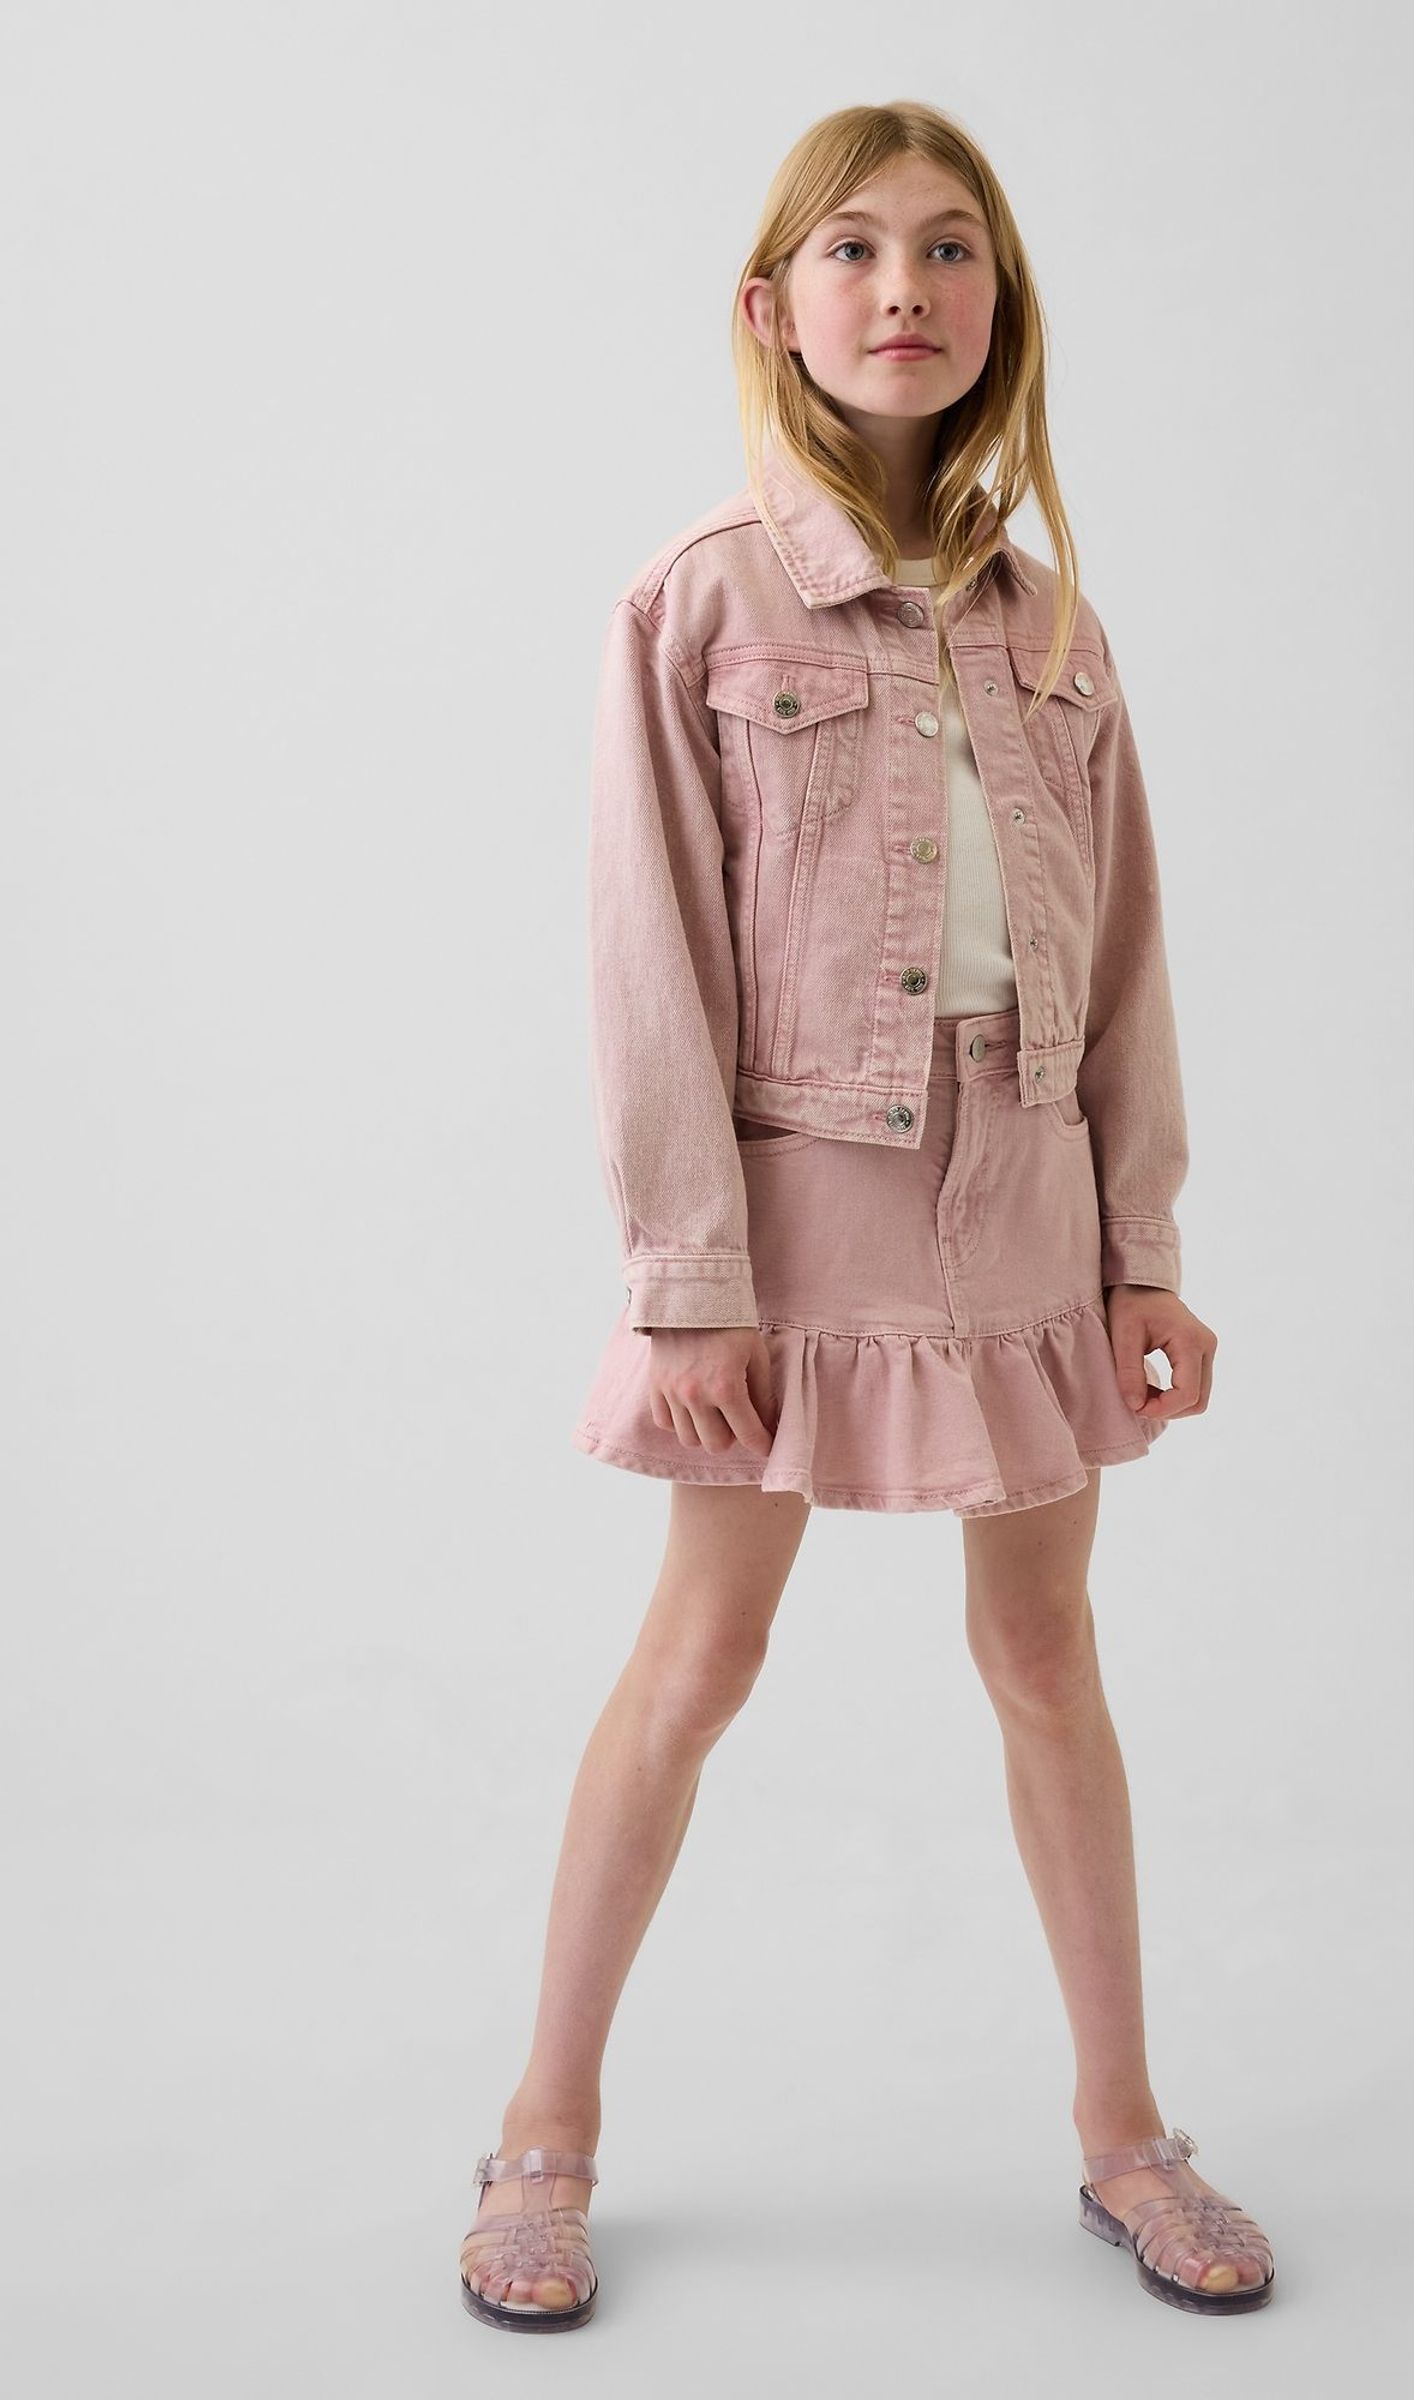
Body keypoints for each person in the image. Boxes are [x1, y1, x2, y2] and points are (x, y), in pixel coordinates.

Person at [457, 99, 1277, 2332]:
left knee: (1046, 1656)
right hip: (794, 1208)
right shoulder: (700, 601)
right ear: (771, 306)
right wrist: (687, 1281)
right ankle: (543, 2129)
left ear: (1002, 304)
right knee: (701, 1657)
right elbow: (649, 962)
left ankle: (1126, 2132)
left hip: (1030, 1204)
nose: (902, 287)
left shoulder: (1055, 627)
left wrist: (1142, 1252)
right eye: (852, 249)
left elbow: (1127, 961)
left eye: (947, 248)